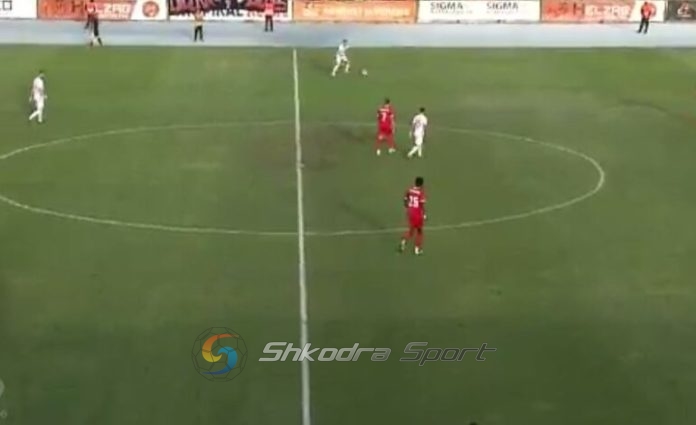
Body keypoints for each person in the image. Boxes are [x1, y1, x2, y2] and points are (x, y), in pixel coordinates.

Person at [400, 177, 426, 255]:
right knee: (419, 232)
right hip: (417, 214)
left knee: (411, 231)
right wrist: (424, 215)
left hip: (410, 213)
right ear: (421, 184)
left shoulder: (409, 190)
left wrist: (407, 207)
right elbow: (421, 205)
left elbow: (405, 199)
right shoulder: (421, 193)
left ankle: (404, 241)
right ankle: (417, 250)